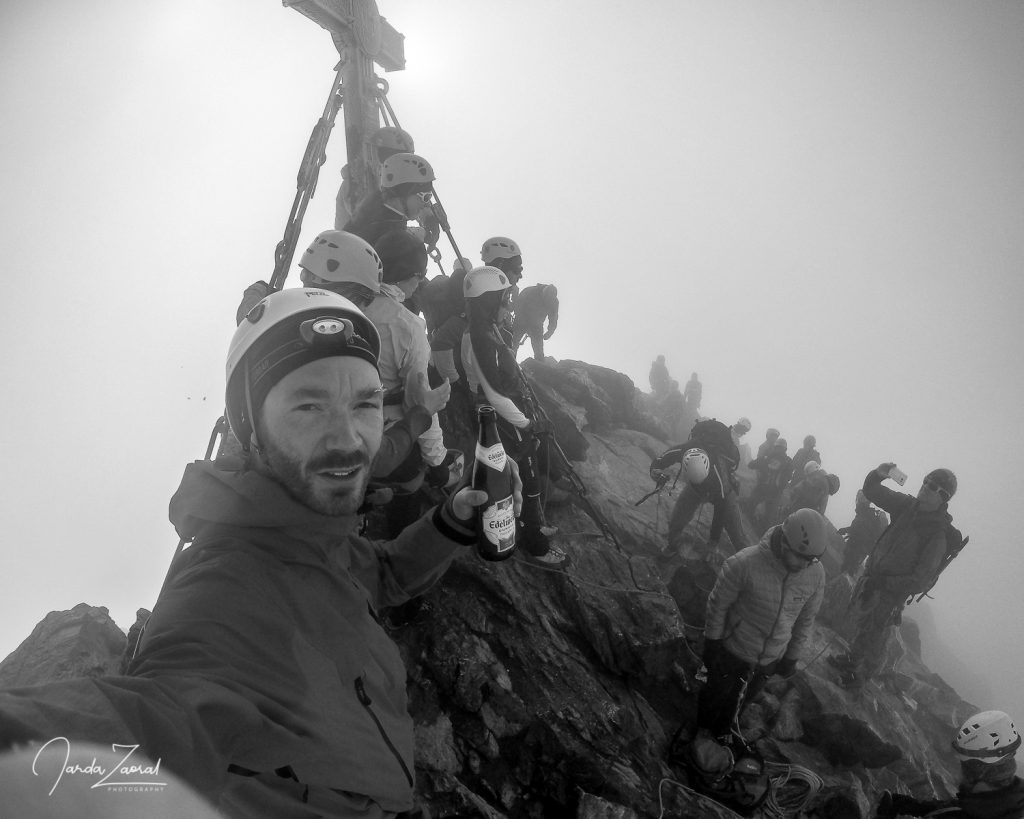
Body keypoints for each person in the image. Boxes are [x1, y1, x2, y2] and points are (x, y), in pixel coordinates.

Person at [0, 288, 520, 818]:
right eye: (308, 404)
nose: (348, 438)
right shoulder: (222, 582)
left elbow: (377, 573)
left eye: (364, 403)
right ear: (250, 428)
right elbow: (163, 718)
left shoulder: (310, 531)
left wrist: (453, 520)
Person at [461, 265, 567, 566]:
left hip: (498, 415)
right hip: (502, 419)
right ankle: (535, 545)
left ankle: (529, 526)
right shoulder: (479, 338)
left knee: (523, 477)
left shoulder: (483, 330)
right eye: (504, 297)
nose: (509, 303)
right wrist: (529, 424)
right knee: (526, 477)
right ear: (489, 300)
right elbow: (494, 393)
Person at [696, 509, 827, 738]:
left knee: (742, 699)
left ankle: (721, 734)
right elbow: (718, 605)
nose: (804, 565)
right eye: (799, 556)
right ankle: (701, 733)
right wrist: (712, 643)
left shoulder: (815, 575)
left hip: (770, 658)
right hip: (733, 649)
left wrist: (791, 657)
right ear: (784, 542)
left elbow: (806, 619)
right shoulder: (744, 563)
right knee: (715, 695)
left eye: (811, 559)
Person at [829, 464, 958, 688]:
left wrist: (886, 583)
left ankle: (858, 678)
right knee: (864, 624)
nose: (925, 487)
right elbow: (871, 491)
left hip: (891, 592)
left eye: (933, 486)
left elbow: (921, 579)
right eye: (926, 481)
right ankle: (851, 661)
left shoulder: (937, 535)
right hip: (874, 577)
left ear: (943, 497)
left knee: (876, 632)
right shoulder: (907, 506)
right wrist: (879, 474)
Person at [875, 710, 1024, 818]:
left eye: (962, 763)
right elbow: (957, 807)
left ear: (975, 771)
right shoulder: (1007, 801)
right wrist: (912, 806)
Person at [652, 417, 748, 562]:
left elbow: (720, 510)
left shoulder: (720, 475)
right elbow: (662, 459)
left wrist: (713, 542)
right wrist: (655, 470)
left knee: (737, 535)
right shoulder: (686, 449)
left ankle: (746, 564)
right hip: (695, 489)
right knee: (677, 519)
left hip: (723, 492)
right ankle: (673, 545)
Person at [343, 152, 437, 247]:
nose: (427, 204)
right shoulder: (393, 241)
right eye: (425, 196)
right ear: (403, 192)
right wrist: (414, 239)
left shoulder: (370, 216)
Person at [335, 125, 416, 228]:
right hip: (355, 242)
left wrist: (426, 215)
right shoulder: (357, 182)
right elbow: (370, 220)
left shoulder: (386, 181)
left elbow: (406, 199)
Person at [837, 490, 890, 575]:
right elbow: (859, 529)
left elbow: (861, 532)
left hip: (856, 552)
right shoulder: (865, 514)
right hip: (856, 552)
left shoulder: (866, 515)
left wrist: (847, 530)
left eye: (859, 499)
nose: (857, 501)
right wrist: (846, 530)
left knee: (846, 572)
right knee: (846, 572)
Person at [746, 437, 793, 531]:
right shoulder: (788, 462)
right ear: (785, 449)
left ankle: (750, 523)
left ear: (775, 447)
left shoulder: (768, 456)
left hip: (763, 488)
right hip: (775, 493)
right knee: (769, 518)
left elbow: (751, 465)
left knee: (750, 505)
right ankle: (763, 535)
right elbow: (789, 477)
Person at [512, 283, 559, 360]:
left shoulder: (554, 302)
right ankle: (510, 363)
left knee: (539, 349)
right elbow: (518, 304)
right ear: (544, 292)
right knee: (513, 343)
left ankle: (539, 364)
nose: (546, 301)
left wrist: (550, 331)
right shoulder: (530, 291)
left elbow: (553, 317)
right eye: (546, 298)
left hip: (536, 325)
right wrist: (521, 319)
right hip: (521, 320)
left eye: (549, 300)